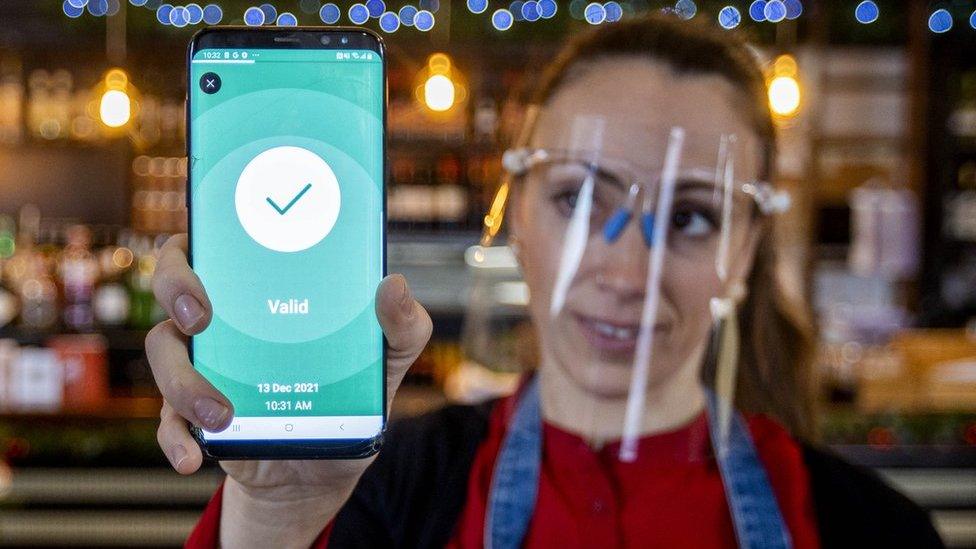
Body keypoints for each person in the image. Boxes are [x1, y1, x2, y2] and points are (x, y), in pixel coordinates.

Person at [146, 15, 943, 549]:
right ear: (517, 215)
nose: (628, 270)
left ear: (747, 249)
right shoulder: (384, 498)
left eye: (695, 216)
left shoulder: (875, 532)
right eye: (577, 197)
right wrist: (276, 510)